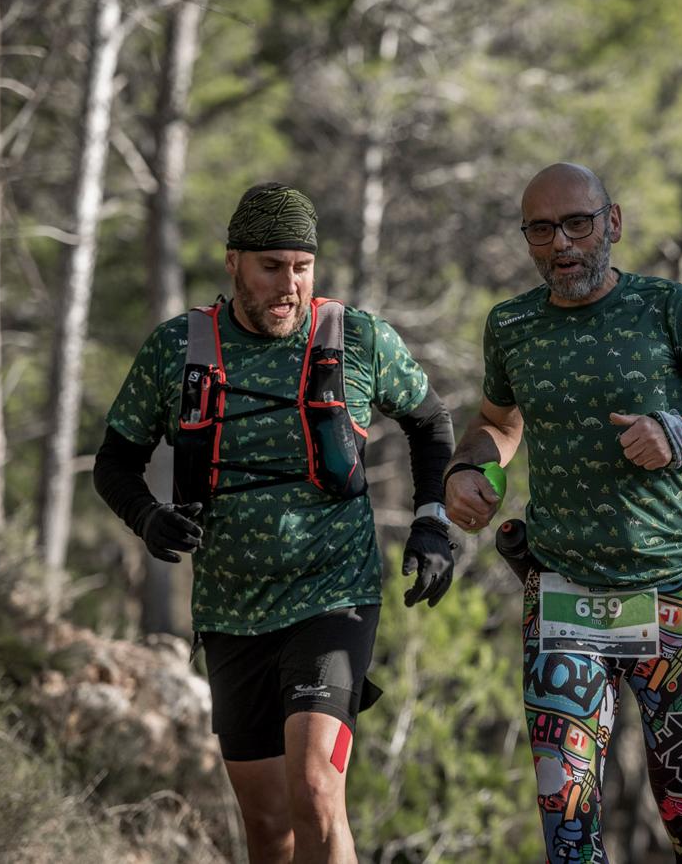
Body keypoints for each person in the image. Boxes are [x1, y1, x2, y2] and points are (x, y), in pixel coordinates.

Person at [93, 183, 456, 864]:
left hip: (334, 594)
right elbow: (114, 460)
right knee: (268, 830)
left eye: (302, 267)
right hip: (231, 610)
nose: (290, 285)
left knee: (317, 788)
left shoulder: (358, 338)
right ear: (234, 263)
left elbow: (430, 420)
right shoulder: (178, 347)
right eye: (272, 267)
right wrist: (147, 518)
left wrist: (432, 520)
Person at [445, 162, 682, 862]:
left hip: (674, 590)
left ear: (614, 223)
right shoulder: (511, 325)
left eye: (578, 223)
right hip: (563, 588)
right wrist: (470, 467)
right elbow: (497, 423)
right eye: (542, 229)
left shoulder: (665, 307)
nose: (562, 243)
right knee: (567, 826)